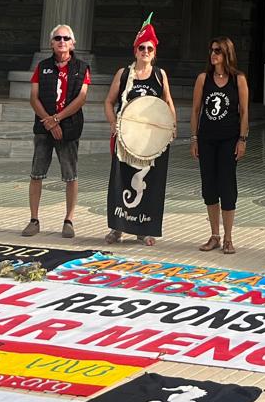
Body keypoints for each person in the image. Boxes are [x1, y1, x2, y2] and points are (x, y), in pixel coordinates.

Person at [104, 17, 175, 245]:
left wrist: (171, 126)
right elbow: (108, 102)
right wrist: (113, 123)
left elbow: (167, 102)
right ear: (135, 50)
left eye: (149, 49)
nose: (145, 51)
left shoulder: (159, 75)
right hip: (126, 139)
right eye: (142, 48)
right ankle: (117, 228)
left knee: (151, 182)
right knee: (120, 180)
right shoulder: (124, 74)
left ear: (154, 53)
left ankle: (144, 229)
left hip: (151, 141)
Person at [23, 23, 90, 239]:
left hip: (69, 128)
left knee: (71, 175)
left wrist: (58, 119)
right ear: (51, 43)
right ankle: (34, 219)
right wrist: (50, 122)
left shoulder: (81, 67)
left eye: (66, 38)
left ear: (73, 44)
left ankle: (69, 220)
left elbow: (81, 98)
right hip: (44, 128)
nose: (62, 42)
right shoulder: (42, 67)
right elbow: (34, 97)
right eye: (58, 38)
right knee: (36, 173)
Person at [191, 36, 249, 254]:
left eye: (218, 50)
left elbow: (244, 112)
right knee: (209, 186)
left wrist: (242, 139)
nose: (213, 54)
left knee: (227, 185)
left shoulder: (238, 79)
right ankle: (214, 235)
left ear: (227, 53)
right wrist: (194, 138)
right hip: (207, 139)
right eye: (211, 50)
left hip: (229, 140)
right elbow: (196, 110)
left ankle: (228, 237)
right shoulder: (203, 79)